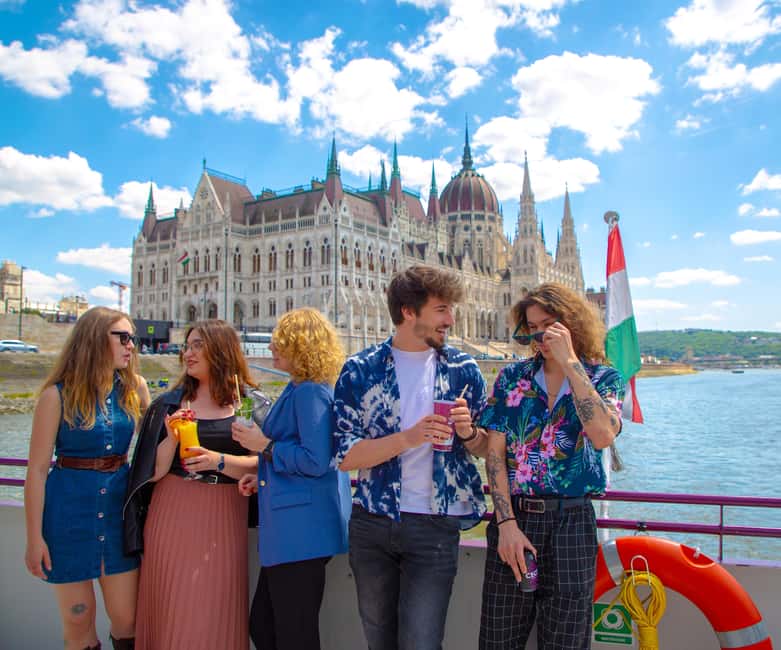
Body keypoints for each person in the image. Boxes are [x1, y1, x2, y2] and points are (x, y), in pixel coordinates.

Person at [334, 264, 489, 650]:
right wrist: (408, 438)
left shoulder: (463, 370)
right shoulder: (360, 370)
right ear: (408, 311)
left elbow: (488, 448)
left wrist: (470, 433)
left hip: (434, 528)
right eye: (441, 310)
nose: (451, 320)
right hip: (372, 522)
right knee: (379, 641)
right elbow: (344, 456)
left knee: (422, 642)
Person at [478, 283, 625, 650]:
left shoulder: (605, 379)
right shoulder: (513, 378)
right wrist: (506, 523)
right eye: (531, 328)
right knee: (498, 638)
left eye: (548, 325)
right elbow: (495, 455)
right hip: (516, 521)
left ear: (570, 323)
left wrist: (571, 364)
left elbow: (603, 435)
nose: (539, 336)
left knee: (566, 641)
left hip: (572, 524)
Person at [125, 319, 258, 650]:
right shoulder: (169, 404)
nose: (189, 352)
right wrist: (170, 439)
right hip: (173, 510)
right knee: (173, 602)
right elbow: (149, 473)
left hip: (225, 513)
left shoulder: (245, 403)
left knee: (214, 607)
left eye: (198, 345)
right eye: (188, 345)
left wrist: (218, 461)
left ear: (222, 349)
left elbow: (263, 463)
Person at [24, 306, 150, 650]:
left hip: (117, 516)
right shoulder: (56, 396)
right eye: (123, 338)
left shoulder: (135, 389)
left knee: (128, 619)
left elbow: (151, 452)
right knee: (78, 618)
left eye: (132, 339)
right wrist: (34, 539)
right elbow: (36, 471)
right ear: (95, 340)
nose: (131, 346)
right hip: (68, 517)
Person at [232, 307, 350, 650]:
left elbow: (316, 461)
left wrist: (263, 445)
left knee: (291, 634)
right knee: (266, 625)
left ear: (302, 346)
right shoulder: (300, 387)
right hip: (291, 530)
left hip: (301, 531)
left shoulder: (310, 392)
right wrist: (263, 476)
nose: (271, 346)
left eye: (280, 341)